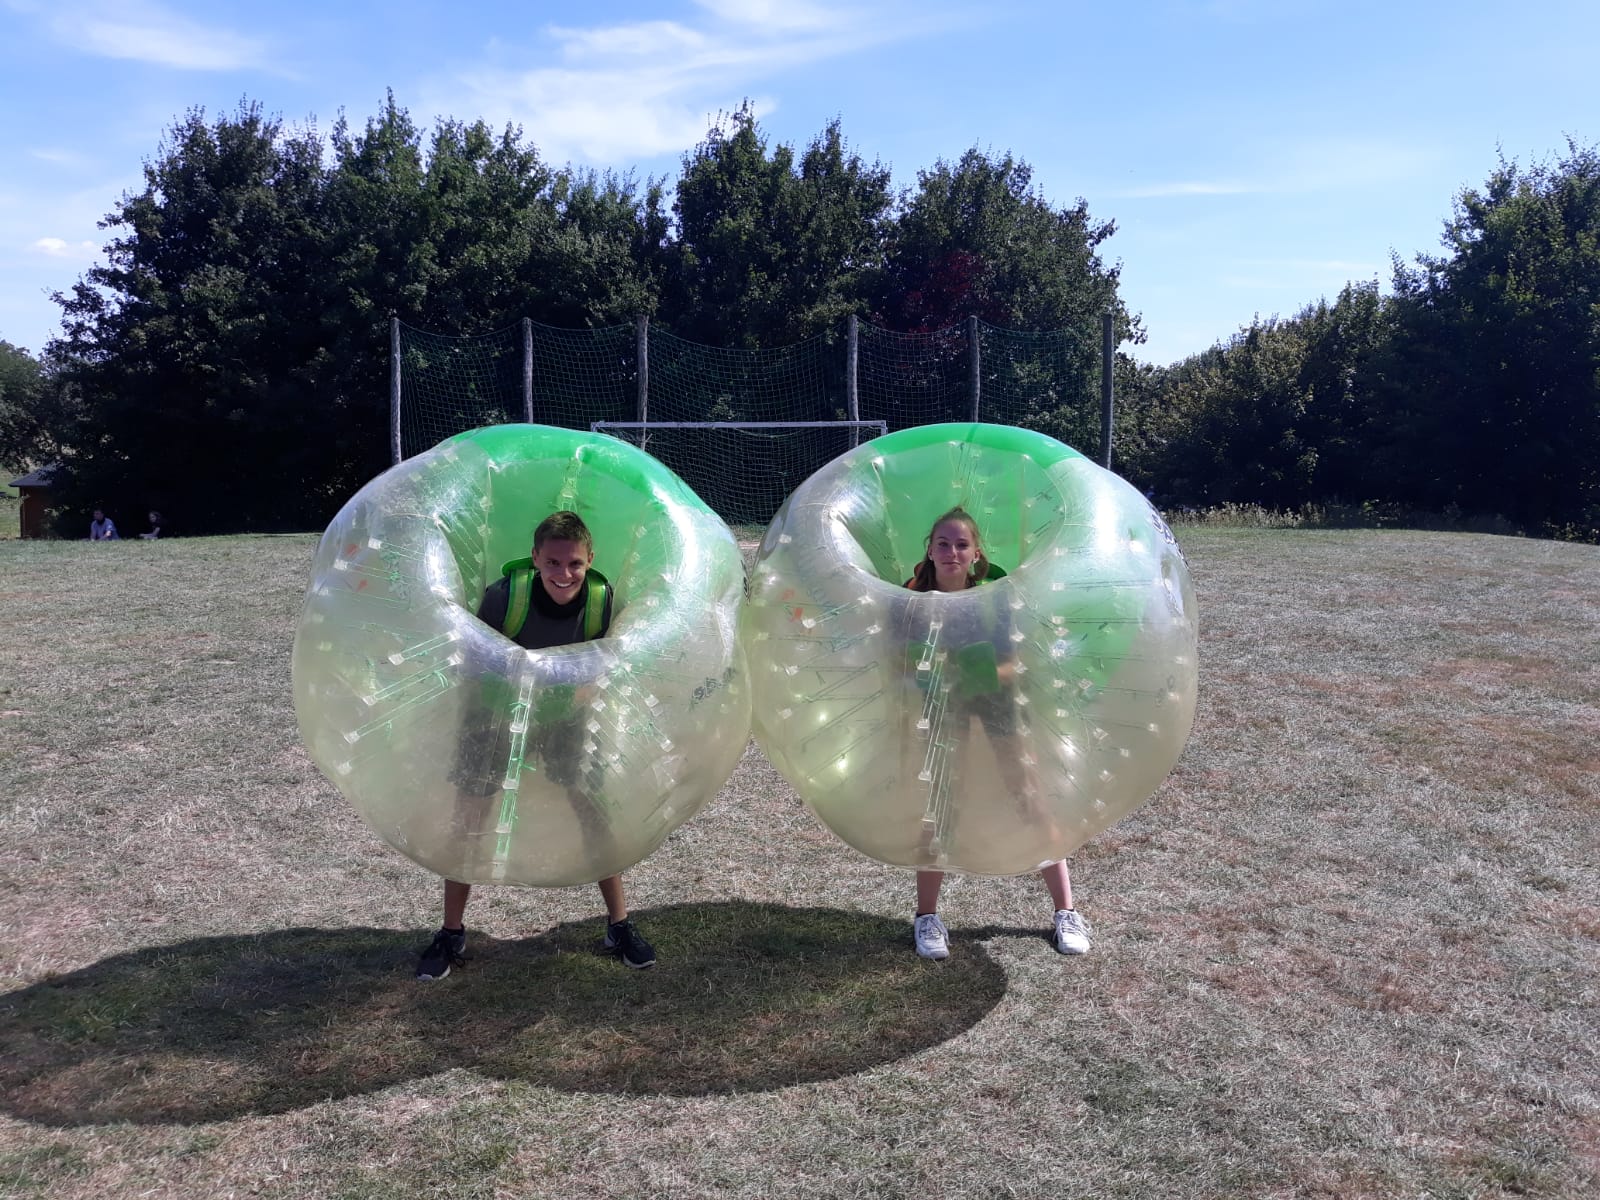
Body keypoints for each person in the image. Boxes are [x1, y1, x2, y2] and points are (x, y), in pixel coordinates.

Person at [417, 509, 657, 979]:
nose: (563, 574)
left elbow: (607, 658)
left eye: (574, 564)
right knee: (469, 819)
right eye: (552, 563)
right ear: (534, 559)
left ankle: (619, 925)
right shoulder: (505, 597)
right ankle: (450, 931)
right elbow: (475, 660)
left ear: (590, 560)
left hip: (563, 715)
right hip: (494, 713)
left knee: (592, 811)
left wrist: (588, 685)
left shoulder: (600, 599)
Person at [902, 506, 1092, 960]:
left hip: (996, 703)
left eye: (961, 545)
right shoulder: (911, 598)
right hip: (942, 707)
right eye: (943, 544)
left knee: (1027, 795)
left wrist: (976, 672)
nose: (951, 552)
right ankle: (927, 918)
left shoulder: (993, 599)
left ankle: (1066, 912)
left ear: (976, 554)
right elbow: (900, 660)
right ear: (929, 549)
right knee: (941, 806)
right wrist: (928, 674)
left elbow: (1017, 660)